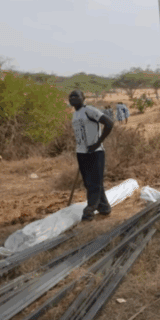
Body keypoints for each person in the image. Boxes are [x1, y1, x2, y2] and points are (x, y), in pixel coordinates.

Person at [69, 90, 114, 222]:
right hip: (81, 153)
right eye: (71, 96)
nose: (73, 98)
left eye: (76, 96)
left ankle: (89, 211)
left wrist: (98, 143)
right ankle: (104, 207)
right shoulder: (75, 114)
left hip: (95, 152)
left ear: (83, 98)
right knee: (91, 183)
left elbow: (109, 123)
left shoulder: (89, 110)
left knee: (94, 183)